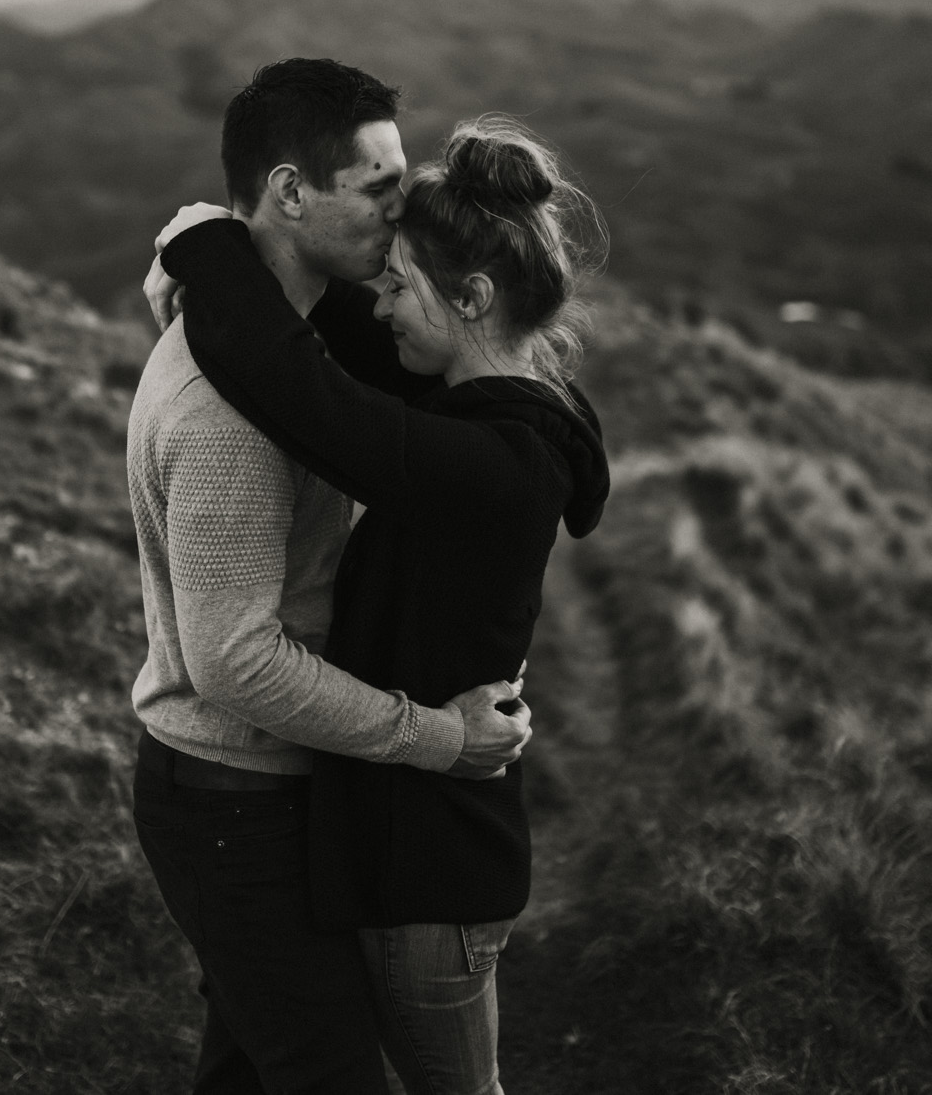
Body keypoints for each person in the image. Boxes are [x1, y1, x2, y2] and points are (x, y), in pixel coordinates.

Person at [149, 114, 610, 1095]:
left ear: (474, 296)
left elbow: (300, 390)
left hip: (428, 868)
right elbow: (322, 332)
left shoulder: (486, 463)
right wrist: (234, 256)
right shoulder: (493, 403)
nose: (382, 304)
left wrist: (195, 240)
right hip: (403, 840)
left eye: (400, 284)